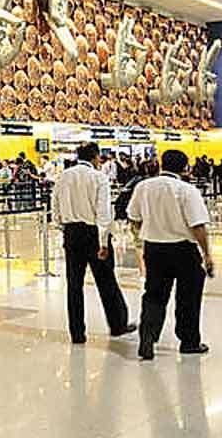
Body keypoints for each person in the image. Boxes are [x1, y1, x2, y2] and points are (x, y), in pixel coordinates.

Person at [128, 150, 214, 360]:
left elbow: (134, 217)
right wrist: (207, 255)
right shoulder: (187, 190)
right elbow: (197, 226)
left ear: (161, 164)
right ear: (185, 167)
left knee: (154, 295)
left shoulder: (143, 187)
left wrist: (146, 234)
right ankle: (189, 342)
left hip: (154, 249)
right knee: (188, 297)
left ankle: (147, 338)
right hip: (184, 250)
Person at [52, 142, 134, 344]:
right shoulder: (98, 178)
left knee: (74, 284)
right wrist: (103, 242)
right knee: (106, 280)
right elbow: (103, 214)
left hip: (71, 233)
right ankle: (117, 324)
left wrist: (65, 228)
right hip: (93, 234)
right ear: (95, 157)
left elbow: (55, 209)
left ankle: (77, 333)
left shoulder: (63, 177)